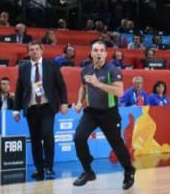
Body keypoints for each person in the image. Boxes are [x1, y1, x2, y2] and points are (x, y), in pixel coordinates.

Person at [72, 40, 135, 189]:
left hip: (109, 113)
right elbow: (83, 88)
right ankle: (88, 171)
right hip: (91, 112)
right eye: (95, 50)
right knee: (79, 138)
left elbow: (119, 92)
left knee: (116, 144)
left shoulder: (112, 70)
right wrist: (79, 101)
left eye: (101, 50)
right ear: (91, 53)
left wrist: (98, 83)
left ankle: (128, 171)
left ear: (106, 54)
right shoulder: (85, 70)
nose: (98, 53)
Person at [12, 41, 68, 181]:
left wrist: (64, 103)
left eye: (37, 49)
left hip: (47, 106)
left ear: (42, 51)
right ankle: (39, 168)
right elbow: (19, 89)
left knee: (47, 135)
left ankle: (49, 166)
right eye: (32, 49)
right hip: (31, 108)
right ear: (28, 52)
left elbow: (61, 85)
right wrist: (16, 109)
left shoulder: (51, 64)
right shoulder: (23, 67)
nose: (35, 51)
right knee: (35, 139)